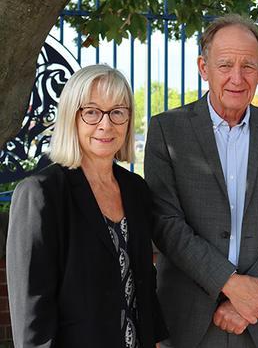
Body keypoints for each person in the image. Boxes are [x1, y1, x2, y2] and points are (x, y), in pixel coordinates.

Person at [144, 14, 258, 348]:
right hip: (188, 320)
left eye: (249, 65)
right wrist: (230, 284)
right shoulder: (167, 130)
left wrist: (248, 299)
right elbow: (165, 221)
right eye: (225, 65)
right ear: (204, 67)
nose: (237, 77)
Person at [7, 64, 168, 348]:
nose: (106, 125)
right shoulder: (41, 194)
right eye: (92, 112)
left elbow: (144, 279)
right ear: (72, 117)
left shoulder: (136, 189)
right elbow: (32, 308)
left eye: (117, 112)